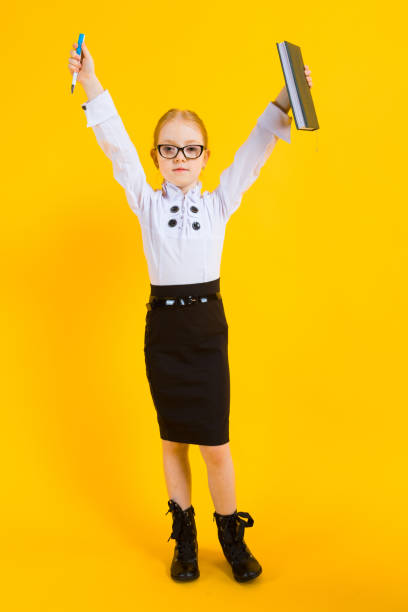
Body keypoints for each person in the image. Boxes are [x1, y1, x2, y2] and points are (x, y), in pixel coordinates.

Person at [68, 40, 313, 583]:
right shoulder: (146, 201)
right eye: (169, 149)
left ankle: (231, 536)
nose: (180, 158)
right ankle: (185, 540)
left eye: (191, 149)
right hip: (164, 332)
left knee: (217, 448)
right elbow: (117, 147)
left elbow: (253, 152)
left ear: (205, 155)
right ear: (156, 157)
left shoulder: (218, 201)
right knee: (173, 440)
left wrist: (285, 96)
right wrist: (90, 81)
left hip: (206, 331)